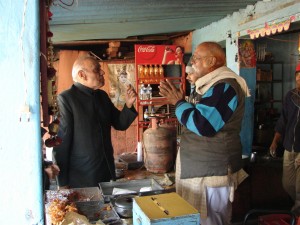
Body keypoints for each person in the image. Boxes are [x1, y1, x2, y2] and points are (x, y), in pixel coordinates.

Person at [159, 42, 250, 225]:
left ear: (211, 61)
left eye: (196, 59)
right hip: (200, 171)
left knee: (211, 221)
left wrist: (178, 102)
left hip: (211, 173)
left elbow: (203, 124)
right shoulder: (210, 87)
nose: (191, 64)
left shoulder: (225, 87)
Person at [53, 55, 138, 188]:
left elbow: (120, 124)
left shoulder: (102, 96)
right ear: (82, 75)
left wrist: (128, 105)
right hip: (81, 177)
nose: (102, 72)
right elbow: (61, 145)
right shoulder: (66, 99)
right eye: (97, 69)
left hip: (107, 172)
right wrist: (62, 182)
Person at [269, 63, 300, 216]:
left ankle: (297, 214)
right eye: (298, 76)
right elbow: (283, 121)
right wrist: (275, 141)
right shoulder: (290, 96)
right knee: (287, 184)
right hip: (289, 147)